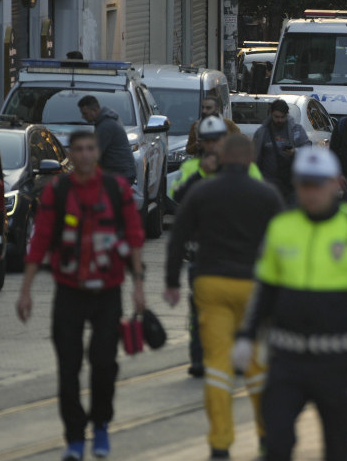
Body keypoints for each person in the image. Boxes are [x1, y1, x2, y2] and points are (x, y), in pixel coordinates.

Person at [233, 147, 347, 461]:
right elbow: (263, 290)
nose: (311, 192)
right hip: (285, 360)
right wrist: (245, 336)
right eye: (305, 184)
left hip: (336, 362)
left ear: (336, 184)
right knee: (275, 444)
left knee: (339, 447)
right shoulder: (281, 227)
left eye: (318, 184)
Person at [16, 130, 147, 461]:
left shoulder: (116, 189)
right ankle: (74, 437)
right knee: (68, 367)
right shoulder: (57, 191)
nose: (86, 155)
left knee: (104, 363)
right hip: (69, 291)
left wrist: (138, 286)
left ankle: (100, 424)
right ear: (70, 156)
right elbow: (41, 239)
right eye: (79, 150)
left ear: (97, 153)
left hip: (108, 291)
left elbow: (133, 235)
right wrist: (26, 290)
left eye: (91, 148)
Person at [165, 134, 283, 459]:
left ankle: (220, 444)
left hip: (211, 283)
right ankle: (265, 435)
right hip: (253, 288)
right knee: (258, 365)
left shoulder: (203, 191)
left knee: (217, 363)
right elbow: (283, 243)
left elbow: (178, 236)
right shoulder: (267, 194)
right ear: (250, 160)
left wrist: (172, 281)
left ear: (223, 158)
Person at [171, 115, 262, 379]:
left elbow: (258, 200)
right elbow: (178, 198)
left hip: (238, 254)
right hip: (203, 254)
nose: (211, 147)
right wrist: (202, 174)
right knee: (200, 311)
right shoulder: (191, 170)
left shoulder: (246, 168)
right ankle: (199, 358)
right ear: (199, 144)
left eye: (216, 141)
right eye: (206, 142)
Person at [77, 95, 138, 194]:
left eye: (85, 113)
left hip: (119, 174)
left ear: (95, 110)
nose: (83, 117)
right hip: (123, 172)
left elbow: (94, 155)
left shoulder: (105, 126)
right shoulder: (108, 120)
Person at [252, 99, 311, 199]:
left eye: (282, 117)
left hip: (292, 184)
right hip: (269, 184)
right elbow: (255, 156)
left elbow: (307, 150)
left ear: (287, 115)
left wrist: (295, 152)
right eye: (276, 117)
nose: (279, 120)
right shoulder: (262, 132)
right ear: (271, 114)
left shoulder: (296, 130)